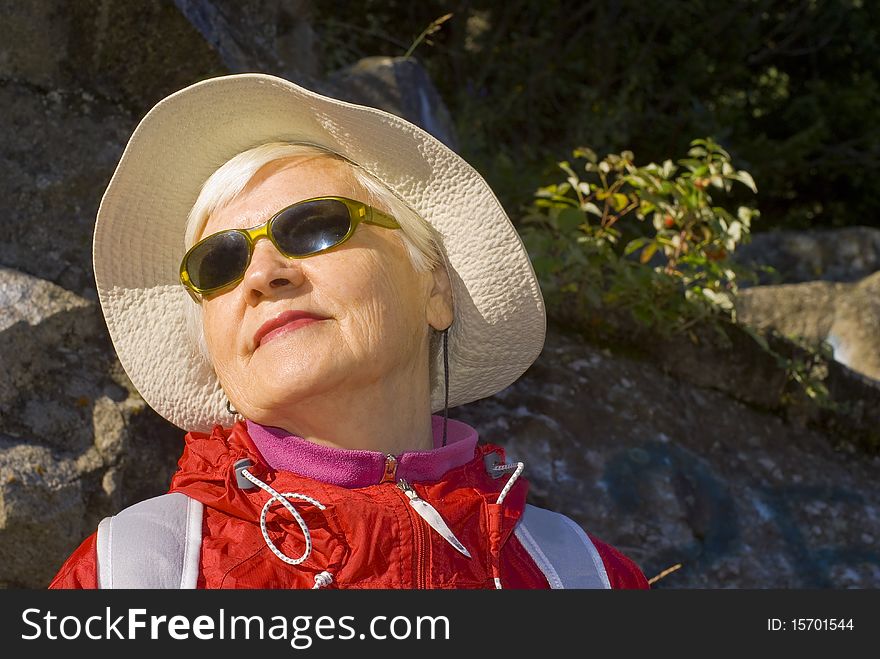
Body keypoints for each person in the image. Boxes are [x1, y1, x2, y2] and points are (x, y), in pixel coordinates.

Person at [49, 73, 648, 589]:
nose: (261, 273)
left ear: (435, 287)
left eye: (313, 226)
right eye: (219, 263)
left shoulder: (585, 580)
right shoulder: (128, 576)